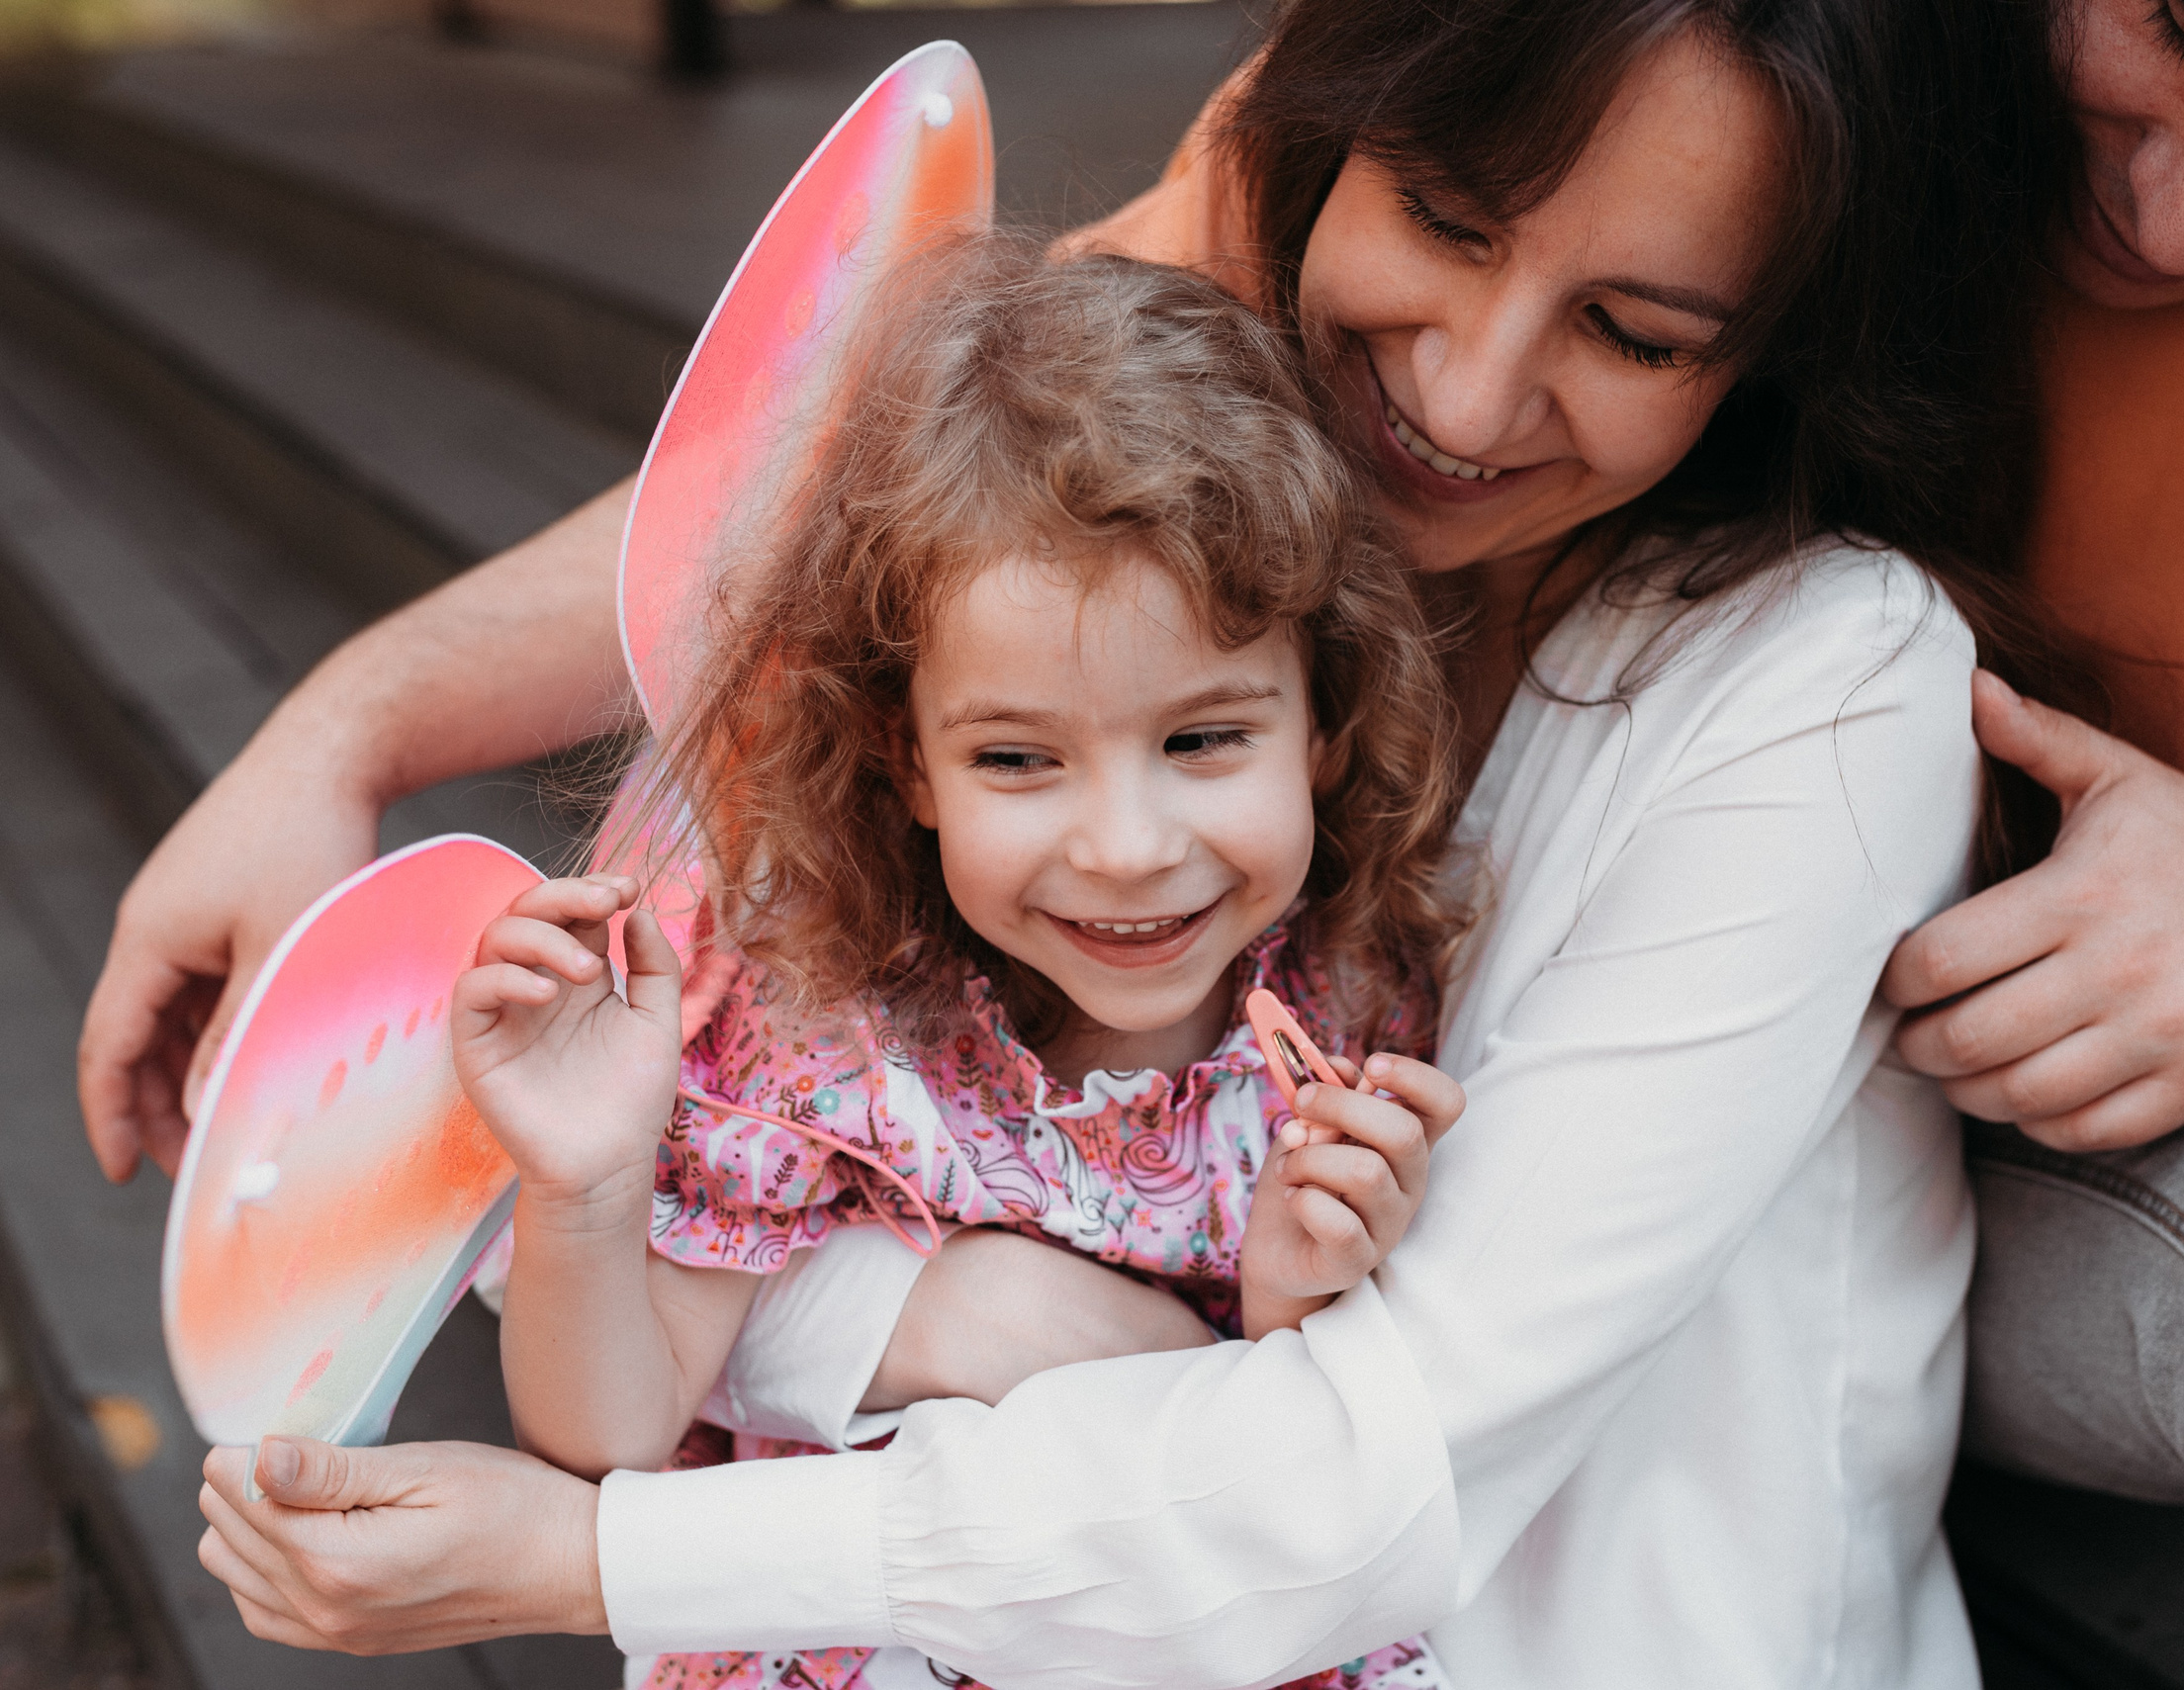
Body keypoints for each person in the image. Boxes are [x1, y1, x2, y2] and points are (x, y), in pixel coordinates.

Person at [185, 0, 2074, 1682]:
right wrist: (358, 726)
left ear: (1332, 722)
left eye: (1636, 328)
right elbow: (774, 515)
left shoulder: (1691, 762)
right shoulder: (1142, 489)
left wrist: (605, 1546)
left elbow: (1344, 1444)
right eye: (1447, 217)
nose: (1470, 395)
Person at [455, 244, 1469, 1690]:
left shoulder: (1358, 1008)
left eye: (1201, 739)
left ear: (1324, 718)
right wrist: (586, 1187)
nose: (1125, 846)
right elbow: (607, 1439)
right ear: (908, 762)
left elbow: (1286, 1457)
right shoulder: (817, 1024)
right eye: (1017, 758)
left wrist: (1295, 1286)